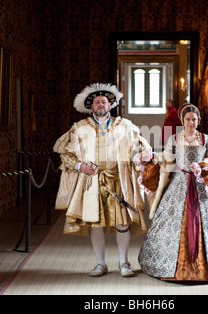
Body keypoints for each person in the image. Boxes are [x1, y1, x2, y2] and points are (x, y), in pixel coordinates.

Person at [53, 83, 152, 278]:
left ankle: (124, 263)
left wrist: (139, 158)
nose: (100, 104)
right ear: (91, 107)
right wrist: (80, 166)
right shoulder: (79, 128)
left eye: (104, 101)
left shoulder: (125, 126)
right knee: (95, 222)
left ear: (110, 105)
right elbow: (65, 153)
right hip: (91, 182)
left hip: (118, 180)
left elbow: (136, 150)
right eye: (97, 102)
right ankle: (100, 264)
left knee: (122, 222)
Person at [137, 104, 208, 282]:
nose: (191, 122)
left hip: (200, 183)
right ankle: (168, 267)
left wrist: (205, 165)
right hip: (178, 184)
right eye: (188, 119)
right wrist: (151, 158)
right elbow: (166, 159)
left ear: (199, 121)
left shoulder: (206, 139)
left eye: (194, 119)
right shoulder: (174, 138)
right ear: (183, 121)